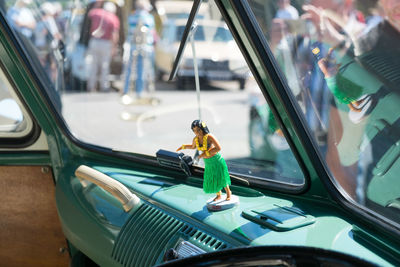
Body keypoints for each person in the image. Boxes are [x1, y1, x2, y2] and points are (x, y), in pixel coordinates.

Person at [177, 120, 232, 202]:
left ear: (203, 128)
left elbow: (218, 148)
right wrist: (183, 146)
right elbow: (193, 147)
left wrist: (204, 154)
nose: (197, 132)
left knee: (222, 177)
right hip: (208, 163)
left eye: (198, 130)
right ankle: (218, 195)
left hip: (216, 160)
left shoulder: (209, 137)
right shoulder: (196, 139)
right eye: (194, 130)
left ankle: (228, 193)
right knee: (212, 179)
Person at [123, 0, 156, 98]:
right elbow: (152, 33)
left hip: (133, 45)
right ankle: (139, 91)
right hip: (145, 46)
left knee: (130, 69)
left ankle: (126, 90)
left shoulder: (131, 17)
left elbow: (128, 31)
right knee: (141, 69)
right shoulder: (149, 18)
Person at [86, 1, 120, 92]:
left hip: (94, 41)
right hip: (105, 43)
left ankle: (91, 86)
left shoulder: (96, 13)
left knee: (93, 65)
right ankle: (103, 86)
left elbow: (90, 14)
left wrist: (98, 4)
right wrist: (114, 47)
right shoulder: (113, 18)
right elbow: (114, 35)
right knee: (104, 66)